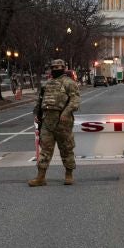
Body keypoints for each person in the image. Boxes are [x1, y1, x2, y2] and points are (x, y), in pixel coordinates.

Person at [29, 58, 80, 187]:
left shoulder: (69, 83)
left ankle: (69, 175)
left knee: (66, 148)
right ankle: (41, 177)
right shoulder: (47, 84)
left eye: (59, 67)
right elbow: (40, 101)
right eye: (54, 68)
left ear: (63, 68)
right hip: (47, 121)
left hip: (63, 121)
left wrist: (66, 113)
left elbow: (75, 101)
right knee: (45, 149)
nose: (56, 70)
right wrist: (37, 115)